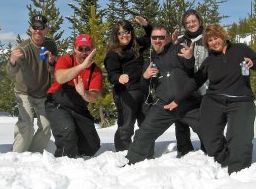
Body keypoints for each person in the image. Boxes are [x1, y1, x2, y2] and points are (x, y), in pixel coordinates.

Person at [164, 23, 256, 174]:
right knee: (209, 134)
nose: (214, 42)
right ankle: (226, 159)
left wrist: (253, 63)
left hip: (241, 100)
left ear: (223, 36)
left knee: (238, 137)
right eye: (209, 41)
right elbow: (195, 82)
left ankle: (239, 172)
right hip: (214, 100)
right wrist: (177, 100)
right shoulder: (210, 60)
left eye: (216, 38)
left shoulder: (240, 49)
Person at [125, 24, 202, 164]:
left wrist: (190, 58)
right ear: (151, 39)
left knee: (208, 128)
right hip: (164, 105)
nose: (158, 40)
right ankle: (132, 163)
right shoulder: (150, 61)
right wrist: (146, 76)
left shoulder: (178, 50)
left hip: (187, 101)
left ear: (167, 38)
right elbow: (144, 88)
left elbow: (189, 66)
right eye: (155, 37)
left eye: (161, 37)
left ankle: (219, 159)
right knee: (143, 133)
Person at [6, 15, 58, 153]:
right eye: (35, 27)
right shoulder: (23, 48)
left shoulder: (50, 45)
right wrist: (12, 60)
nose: (37, 30)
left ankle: (33, 154)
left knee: (46, 127)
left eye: (40, 27)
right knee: (26, 124)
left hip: (43, 93)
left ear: (46, 29)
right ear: (30, 28)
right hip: (25, 93)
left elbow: (54, 71)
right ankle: (16, 156)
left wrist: (52, 61)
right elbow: (11, 72)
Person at [45, 34, 103, 158]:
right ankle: (63, 161)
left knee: (92, 146)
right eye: (80, 49)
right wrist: (82, 66)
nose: (84, 52)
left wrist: (84, 93)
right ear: (74, 49)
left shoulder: (95, 71)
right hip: (57, 105)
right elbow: (60, 78)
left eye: (87, 49)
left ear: (92, 49)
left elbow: (94, 97)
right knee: (68, 133)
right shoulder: (66, 60)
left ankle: (76, 153)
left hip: (78, 108)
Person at [104, 17, 152, 151]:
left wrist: (146, 25)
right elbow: (111, 74)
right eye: (120, 33)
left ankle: (146, 151)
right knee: (126, 126)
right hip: (126, 93)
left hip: (143, 90)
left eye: (127, 31)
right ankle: (122, 153)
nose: (125, 35)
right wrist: (119, 77)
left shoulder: (137, 45)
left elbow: (150, 37)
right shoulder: (113, 53)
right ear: (116, 36)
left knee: (147, 123)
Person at [175, 9, 208, 157]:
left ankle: (207, 148)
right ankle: (184, 148)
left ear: (199, 21)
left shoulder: (208, 38)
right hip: (186, 85)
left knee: (205, 118)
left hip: (206, 86)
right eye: (188, 22)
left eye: (193, 21)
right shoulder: (181, 41)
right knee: (181, 117)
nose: (191, 24)